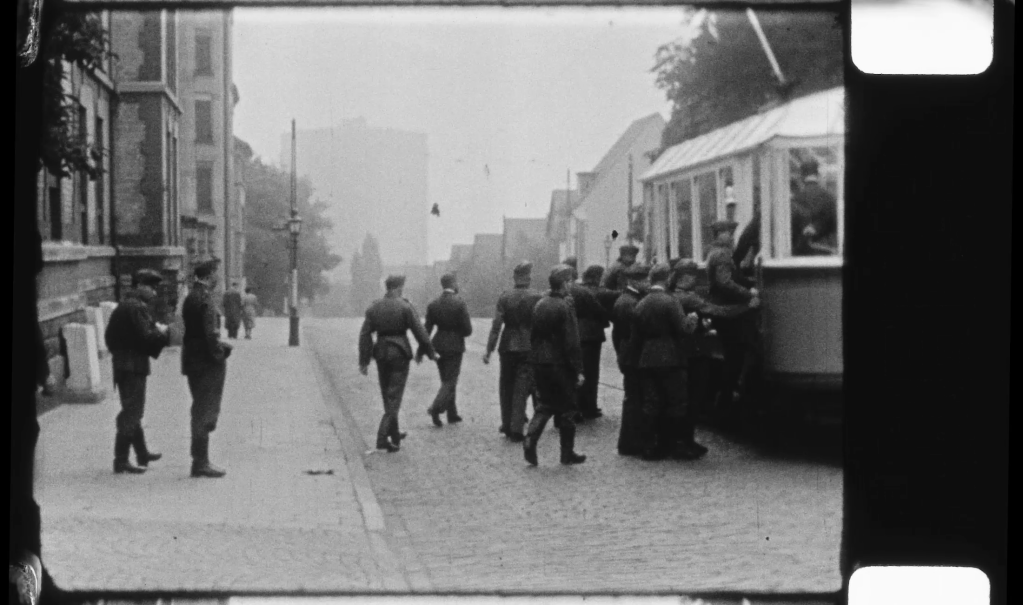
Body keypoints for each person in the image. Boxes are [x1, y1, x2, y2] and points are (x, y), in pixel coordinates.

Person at [359, 274, 438, 453]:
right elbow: (420, 331)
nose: (403, 289)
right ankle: (381, 437)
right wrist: (430, 352)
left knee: (387, 395)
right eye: (402, 286)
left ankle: (394, 435)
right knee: (394, 397)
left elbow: (365, 335)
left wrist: (364, 361)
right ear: (398, 288)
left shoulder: (374, 307)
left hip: (381, 354)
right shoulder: (405, 306)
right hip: (400, 354)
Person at [632, 263, 702, 461]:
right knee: (676, 402)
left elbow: (635, 337)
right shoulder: (670, 301)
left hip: (647, 358)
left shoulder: (642, 302)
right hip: (671, 357)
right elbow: (683, 329)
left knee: (651, 403)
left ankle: (649, 446)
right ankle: (677, 446)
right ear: (667, 277)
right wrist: (693, 319)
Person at [104, 269, 172, 474]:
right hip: (133, 366)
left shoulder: (127, 305)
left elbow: (109, 337)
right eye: (151, 287)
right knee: (132, 411)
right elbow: (146, 337)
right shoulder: (136, 308)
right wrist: (164, 333)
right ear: (139, 285)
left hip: (124, 365)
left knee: (132, 409)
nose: (154, 292)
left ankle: (142, 453)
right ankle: (121, 460)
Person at [523, 265, 587, 466]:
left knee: (544, 405)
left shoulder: (540, 304)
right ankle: (567, 454)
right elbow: (572, 342)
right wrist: (578, 370)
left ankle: (530, 439)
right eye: (570, 282)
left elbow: (533, 336)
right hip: (560, 364)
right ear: (564, 283)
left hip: (540, 362)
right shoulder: (565, 306)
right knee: (568, 408)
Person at [181, 260, 233, 478]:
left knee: (199, 409)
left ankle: (199, 459)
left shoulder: (191, 297)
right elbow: (210, 333)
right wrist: (220, 354)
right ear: (210, 274)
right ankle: (201, 462)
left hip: (192, 359)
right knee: (205, 411)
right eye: (217, 273)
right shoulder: (206, 299)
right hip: (206, 362)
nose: (218, 278)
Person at [705, 221, 761, 410]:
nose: (730, 236)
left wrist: (747, 283)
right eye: (726, 233)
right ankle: (728, 397)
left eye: (731, 233)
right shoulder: (721, 255)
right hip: (728, 312)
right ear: (717, 234)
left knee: (734, 354)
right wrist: (749, 294)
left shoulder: (717, 252)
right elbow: (725, 283)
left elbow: (731, 278)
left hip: (724, 309)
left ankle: (727, 396)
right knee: (737, 353)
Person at [484, 261, 543, 442]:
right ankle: (517, 428)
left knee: (506, 386)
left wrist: (489, 350)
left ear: (515, 278)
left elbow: (496, 327)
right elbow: (542, 324)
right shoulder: (537, 297)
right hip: (528, 346)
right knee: (522, 386)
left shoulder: (505, 297)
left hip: (507, 345)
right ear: (529, 277)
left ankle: (507, 424)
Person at [420, 273, 472, 427]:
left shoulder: (433, 304)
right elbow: (468, 330)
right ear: (453, 284)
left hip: (438, 344)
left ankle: (452, 413)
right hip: (455, 346)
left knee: (445, 379)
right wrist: (458, 333)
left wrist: (423, 349)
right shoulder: (460, 303)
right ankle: (436, 408)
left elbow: (426, 329)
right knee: (451, 380)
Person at [612, 263, 649, 456]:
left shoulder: (627, 299)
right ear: (633, 281)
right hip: (633, 356)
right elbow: (632, 335)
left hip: (628, 355)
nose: (648, 282)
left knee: (633, 399)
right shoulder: (629, 303)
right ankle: (631, 443)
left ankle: (630, 443)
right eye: (644, 279)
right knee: (635, 400)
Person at [569, 263, 614, 420]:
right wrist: (606, 321)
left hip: (573, 334)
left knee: (575, 371)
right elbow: (599, 311)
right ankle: (589, 407)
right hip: (591, 335)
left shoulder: (571, 290)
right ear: (596, 277)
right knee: (591, 373)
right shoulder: (590, 292)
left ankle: (576, 407)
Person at [791, 159, 838, 256]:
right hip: (825, 251)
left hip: (801, 253)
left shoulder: (796, 198)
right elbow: (835, 223)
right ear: (818, 175)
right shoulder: (829, 197)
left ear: (802, 176)